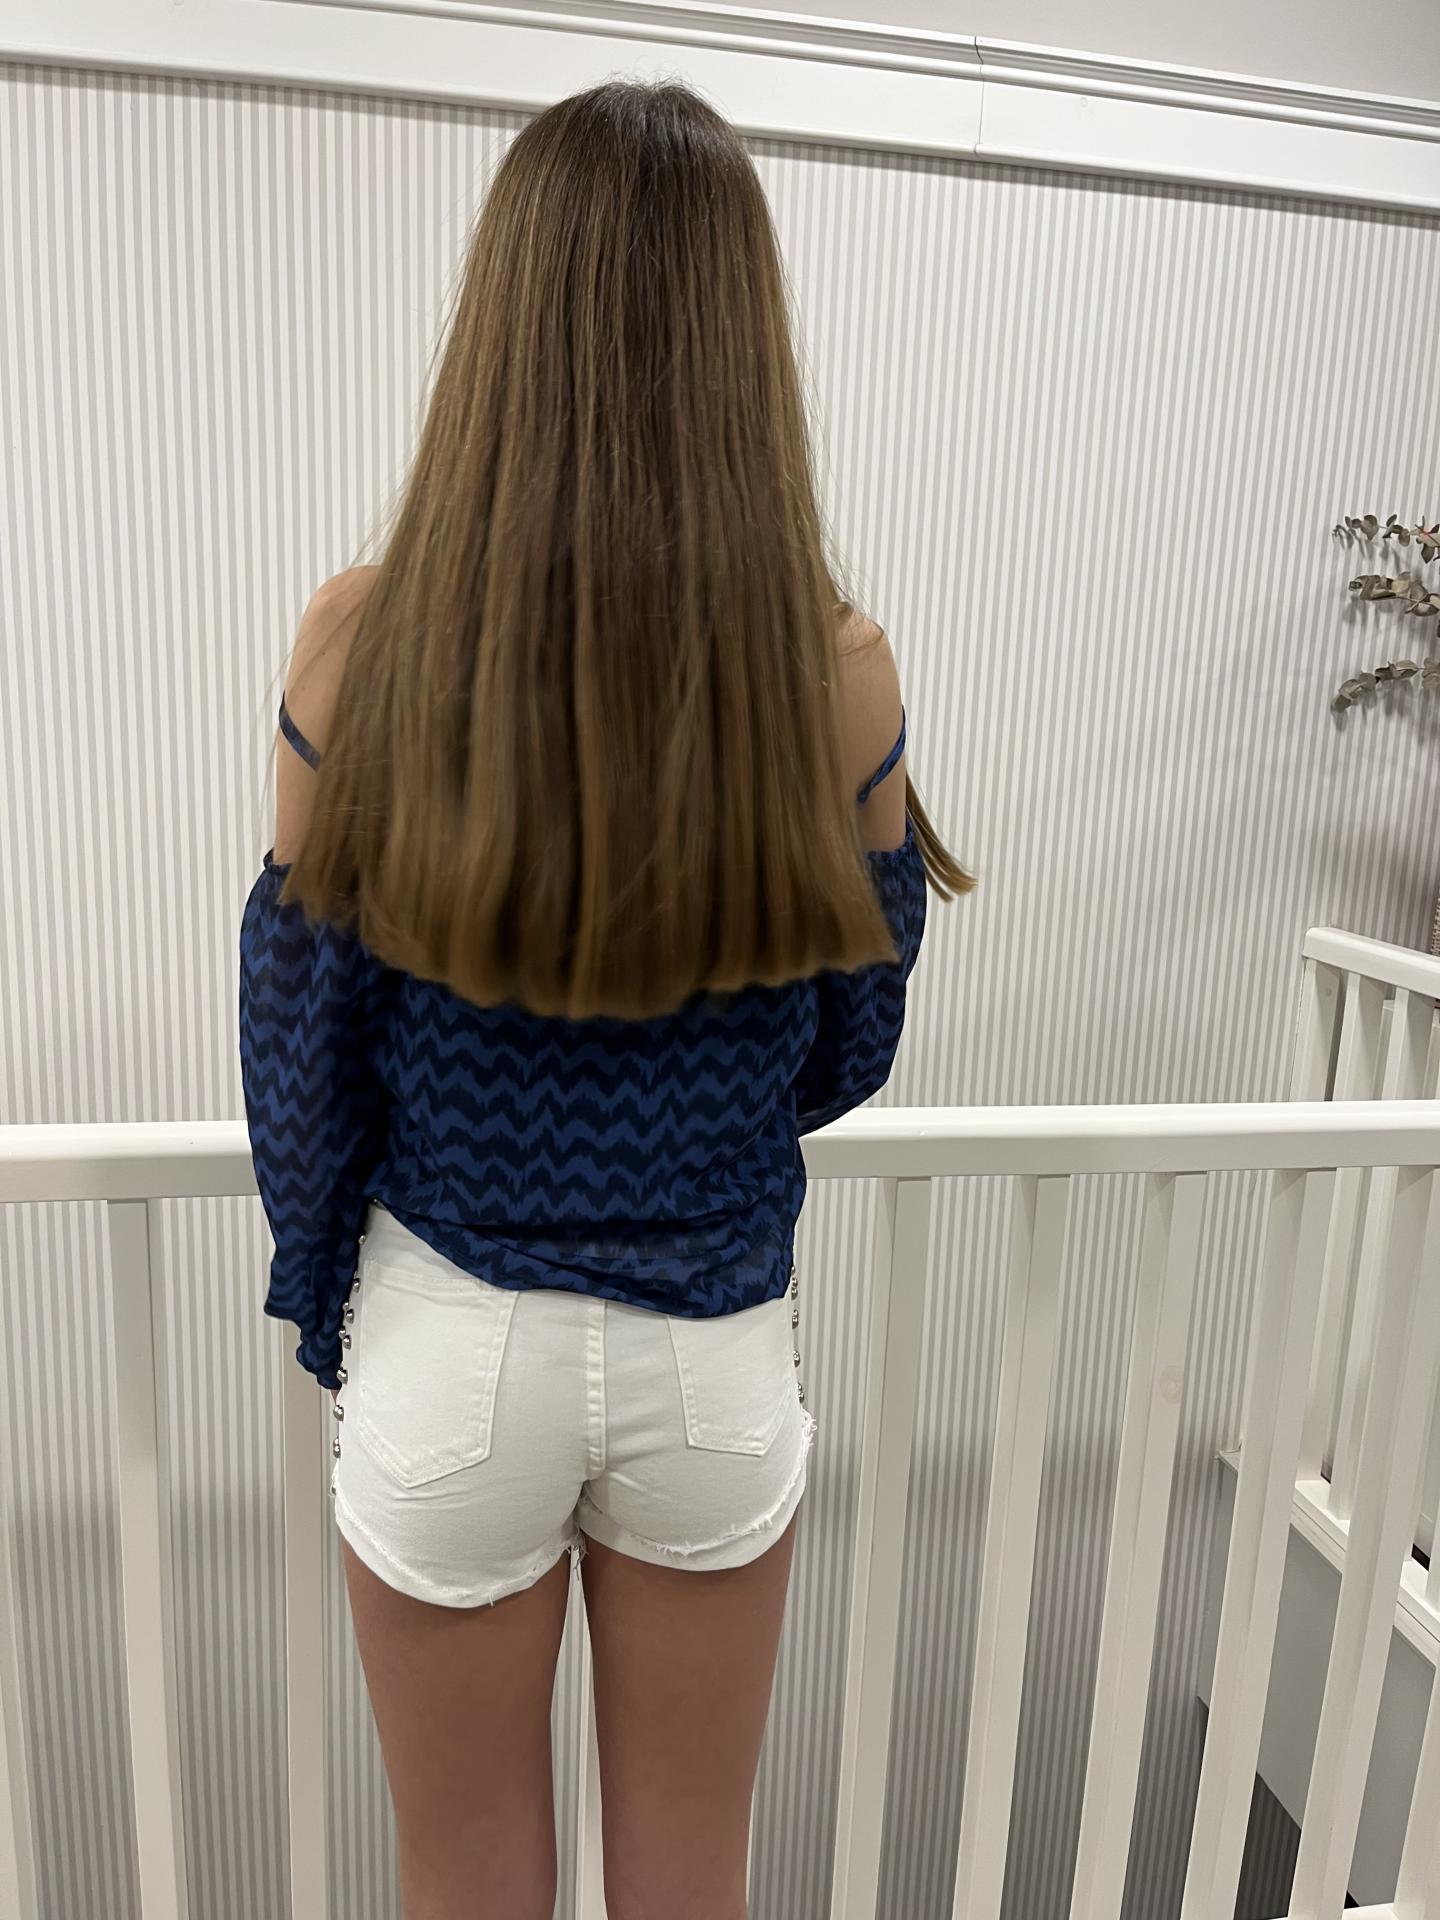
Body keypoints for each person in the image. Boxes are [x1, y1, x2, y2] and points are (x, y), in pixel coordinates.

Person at [238, 76, 970, 1920]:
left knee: (464, 1877)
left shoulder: (359, 643)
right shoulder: (838, 668)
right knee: (690, 1877)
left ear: (503, 316)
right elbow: (850, 1044)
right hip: (712, 1343)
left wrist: (333, 1307)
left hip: (450, 1336)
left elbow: (305, 1051)